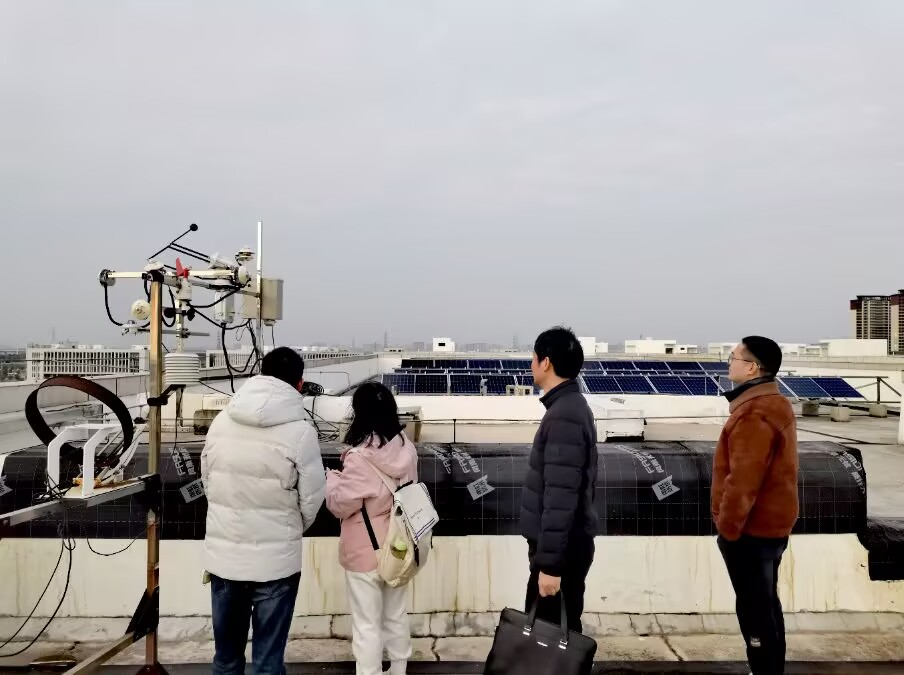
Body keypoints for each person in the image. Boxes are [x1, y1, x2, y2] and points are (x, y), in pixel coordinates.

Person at [201, 347, 326, 675]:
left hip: (225, 560)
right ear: (299, 384)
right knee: (268, 664)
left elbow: (208, 481)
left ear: (261, 373)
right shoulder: (301, 431)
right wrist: (288, 527)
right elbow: (312, 499)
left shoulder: (221, 421)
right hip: (277, 565)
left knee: (225, 660)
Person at [712, 336, 799, 675]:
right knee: (765, 604)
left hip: (751, 531)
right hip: (770, 527)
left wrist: (728, 529)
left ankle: (764, 670)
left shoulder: (754, 413)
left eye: (733, 357)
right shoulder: (775, 403)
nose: (728, 362)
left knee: (754, 611)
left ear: (751, 368)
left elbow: (743, 481)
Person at [325, 381, 418, 675]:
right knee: (396, 614)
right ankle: (399, 668)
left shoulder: (360, 457)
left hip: (364, 551)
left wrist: (332, 480)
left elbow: (340, 505)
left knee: (367, 623)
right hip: (399, 546)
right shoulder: (407, 448)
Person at [520, 326, 598, 635]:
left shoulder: (564, 415)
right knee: (555, 637)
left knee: (548, 641)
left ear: (546, 363)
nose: (531, 365)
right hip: (564, 549)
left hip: (560, 555)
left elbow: (560, 496)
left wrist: (550, 567)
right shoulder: (569, 407)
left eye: (533, 358)